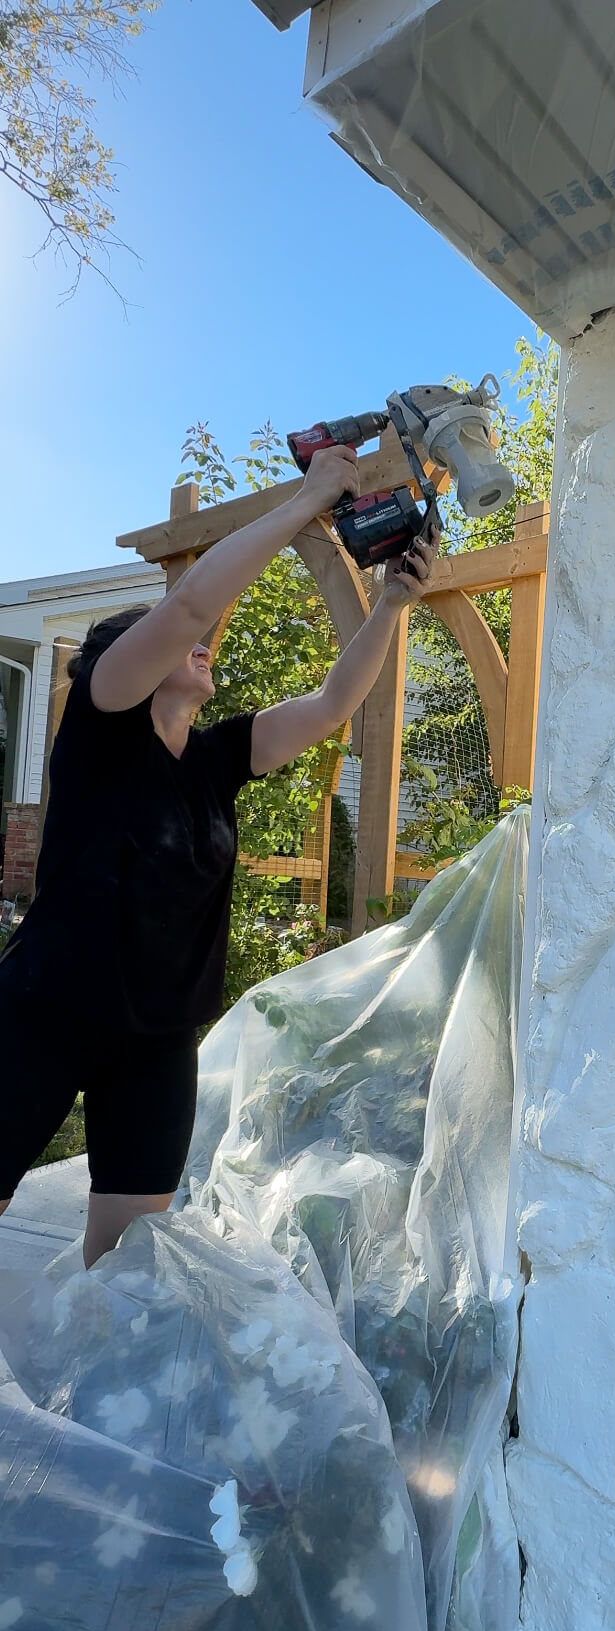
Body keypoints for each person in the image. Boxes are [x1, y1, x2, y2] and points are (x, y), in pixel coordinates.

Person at [0, 445, 446, 1267]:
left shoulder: (214, 759)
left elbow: (334, 701)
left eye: (201, 645)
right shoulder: (102, 719)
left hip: (158, 1039)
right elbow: (189, 608)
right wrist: (306, 504)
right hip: (45, 1012)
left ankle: (90, 1381)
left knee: (131, 1253)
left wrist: (392, 605)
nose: (202, 647)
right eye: (175, 641)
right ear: (122, 661)